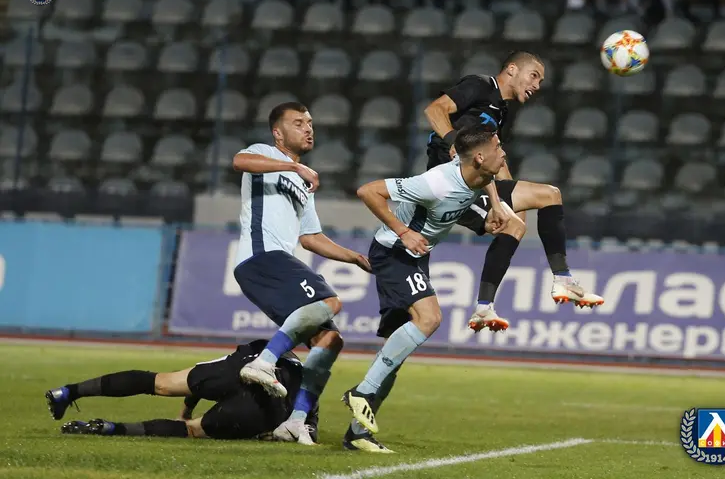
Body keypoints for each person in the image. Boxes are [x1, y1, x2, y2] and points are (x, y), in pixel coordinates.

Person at [341, 129, 511, 451]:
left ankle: (357, 434)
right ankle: (361, 392)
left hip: (417, 256)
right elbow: (368, 191)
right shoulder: (435, 183)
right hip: (394, 252)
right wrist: (403, 232)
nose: (503, 152)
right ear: (479, 157)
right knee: (429, 318)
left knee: (394, 354)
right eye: (498, 147)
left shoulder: (476, 172)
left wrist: (489, 216)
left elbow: (467, 193)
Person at [424, 51, 604, 334]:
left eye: (541, 81)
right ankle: (553, 283)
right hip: (449, 183)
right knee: (530, 210)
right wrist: (453, 144)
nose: (537, 85)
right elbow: (434, 110)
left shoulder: (502, 111)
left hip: (474, 184)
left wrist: (511, 206)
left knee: (540, 203)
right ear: (511, 70)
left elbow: (497, 161)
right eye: (534, 76)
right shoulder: (480, 85)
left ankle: (496, 303)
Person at [231, 102, 372, 444]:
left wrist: (355, 258)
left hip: (278, 259)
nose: (308, 128)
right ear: (277, 133)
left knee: (330, 340)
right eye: (298, 123)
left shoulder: (302, 182)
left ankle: (295, 421)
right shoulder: (266, 153)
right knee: (329, 302)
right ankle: (264, 362)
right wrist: (293, 166)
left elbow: (310, 238)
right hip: (260, 256)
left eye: (310, 123)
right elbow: (239, 161)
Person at [46, 340, 319, 441]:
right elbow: (308, 429)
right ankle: (110, 428)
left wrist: (186, 408)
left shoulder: (262, 348)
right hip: (266, 406)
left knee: (159, 382)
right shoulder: (309, 383)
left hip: (241, 367)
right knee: (191, 430)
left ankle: (68, 392)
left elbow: (212, 375)